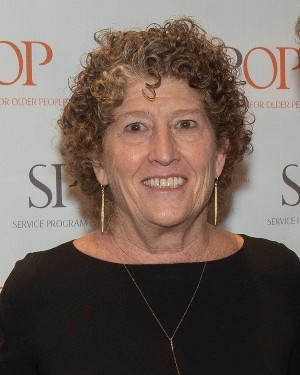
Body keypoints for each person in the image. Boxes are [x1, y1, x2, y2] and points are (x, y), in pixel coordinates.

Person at [0, 17, 299, 375]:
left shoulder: (281, 276)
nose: (164, 152)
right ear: (98, 162)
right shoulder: (36, 290)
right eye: (135, 127)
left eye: (185, 124)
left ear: (220, 153)